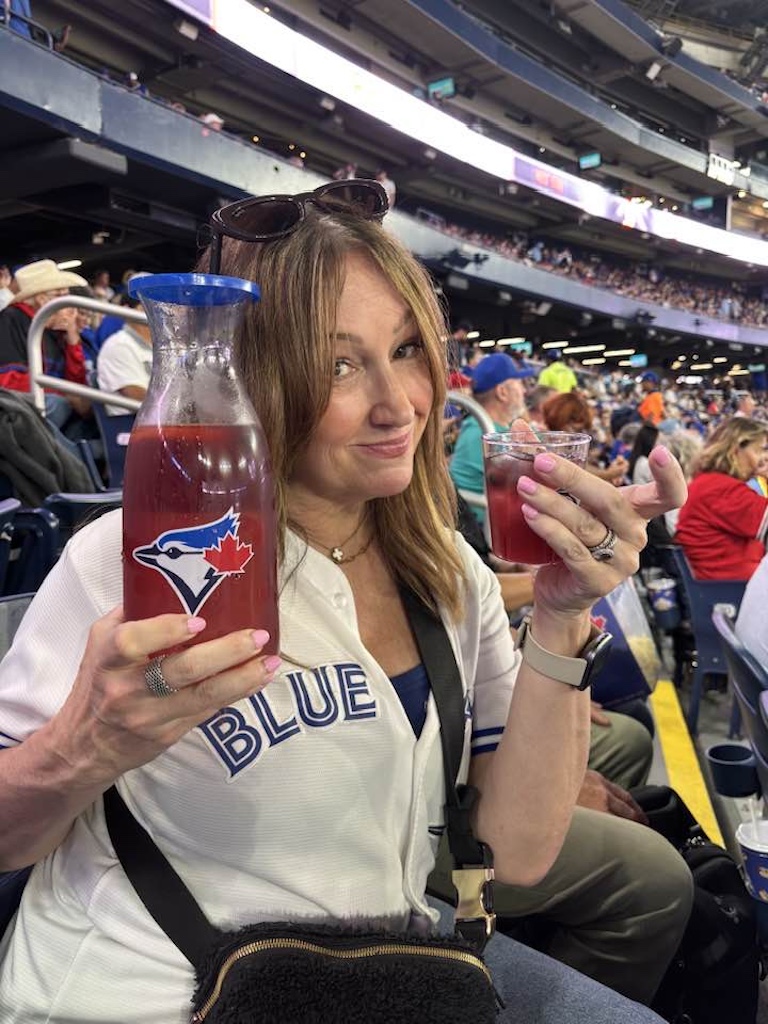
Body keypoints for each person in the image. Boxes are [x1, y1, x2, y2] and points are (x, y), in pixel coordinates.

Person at [0, 181, 686, 1023]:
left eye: (404, 349)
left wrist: (562, 612)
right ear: (254, 374)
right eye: (338, 364)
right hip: (130, 992)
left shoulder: (449, 573)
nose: (399, 405)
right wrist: (83, 746)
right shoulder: (129, 559)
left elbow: (517, 855)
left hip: (375, 975)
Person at [0, 258, 91, 434]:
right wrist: (65, 394)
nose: (68, 304)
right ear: (41, 299)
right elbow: (7, 381)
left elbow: (77, 384)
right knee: (59, 405)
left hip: (49, 401)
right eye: (60, 296)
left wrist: (72, 339)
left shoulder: (57, 330)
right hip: (15, 405)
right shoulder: (11, 319)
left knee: (90, 418)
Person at [675, 417, 768, 580]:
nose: (763, 458)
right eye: (759, 450)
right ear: (736, 450)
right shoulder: (721, 490)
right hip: (731, 590)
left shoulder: (710, 482)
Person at [449, 352, 534, 524]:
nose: (524, 390)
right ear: (502, 392)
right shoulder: (482, 433)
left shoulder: (488, 428)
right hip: (482, 532)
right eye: (519, 383)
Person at [96, 295, 152, 413]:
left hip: (162, 421)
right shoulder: (118, 345)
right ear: (128, 310)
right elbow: (139, 397)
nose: (154, 312)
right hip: (132, 424)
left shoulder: (162, 346)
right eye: (145, 308)